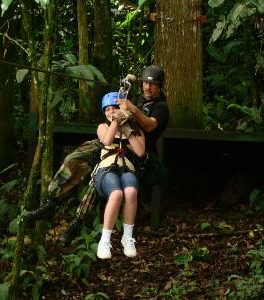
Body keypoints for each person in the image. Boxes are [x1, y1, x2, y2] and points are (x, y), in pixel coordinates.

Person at [24, 65, 169, 244]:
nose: (148, 87)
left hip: (131, 147)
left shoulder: (161, 107)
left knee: (96, 182)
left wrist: (131, 110)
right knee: (73, 158)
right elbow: (117, 107)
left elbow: (149, 126)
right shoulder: (138, 101)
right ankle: (51, 202)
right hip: (112, 137)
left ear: (160, 86)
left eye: (152, 84)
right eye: (145, 83)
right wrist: (125, 88)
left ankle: (75, 226)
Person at [94, 92, 145, 259]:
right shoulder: (103, 127)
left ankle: (127, 237)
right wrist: (116, 122)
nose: (111, 112)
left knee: (130, 192)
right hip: (107, 169)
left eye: (114, 108)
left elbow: (140, 151)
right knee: (116, 194)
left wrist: (128, 129)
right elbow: (107, 141)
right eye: (107, 110)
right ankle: (104, 240)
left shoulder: (136, 130)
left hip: (126, 168)